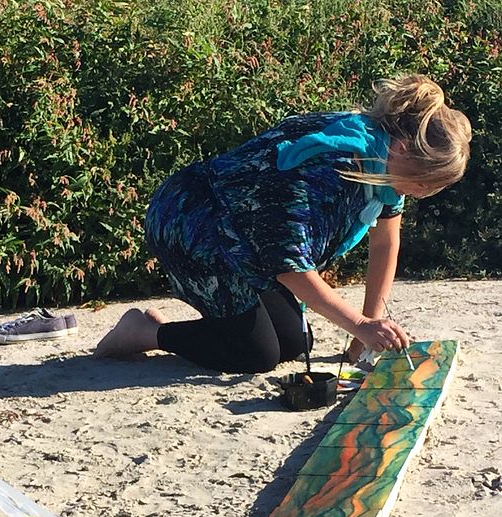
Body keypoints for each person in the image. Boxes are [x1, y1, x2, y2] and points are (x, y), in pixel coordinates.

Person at [94, 75, 472, 373]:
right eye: (425, 182)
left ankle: (194, 326)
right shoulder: (333, 161)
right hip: (195, 220)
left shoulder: (384, 158)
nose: (424, 193)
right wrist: (357, 323)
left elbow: (385, 243)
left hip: (244, 235)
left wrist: (369, 325)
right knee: (254, 355)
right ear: (405, 149)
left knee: (294, 344)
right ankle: (144, 332)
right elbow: (287, 262)